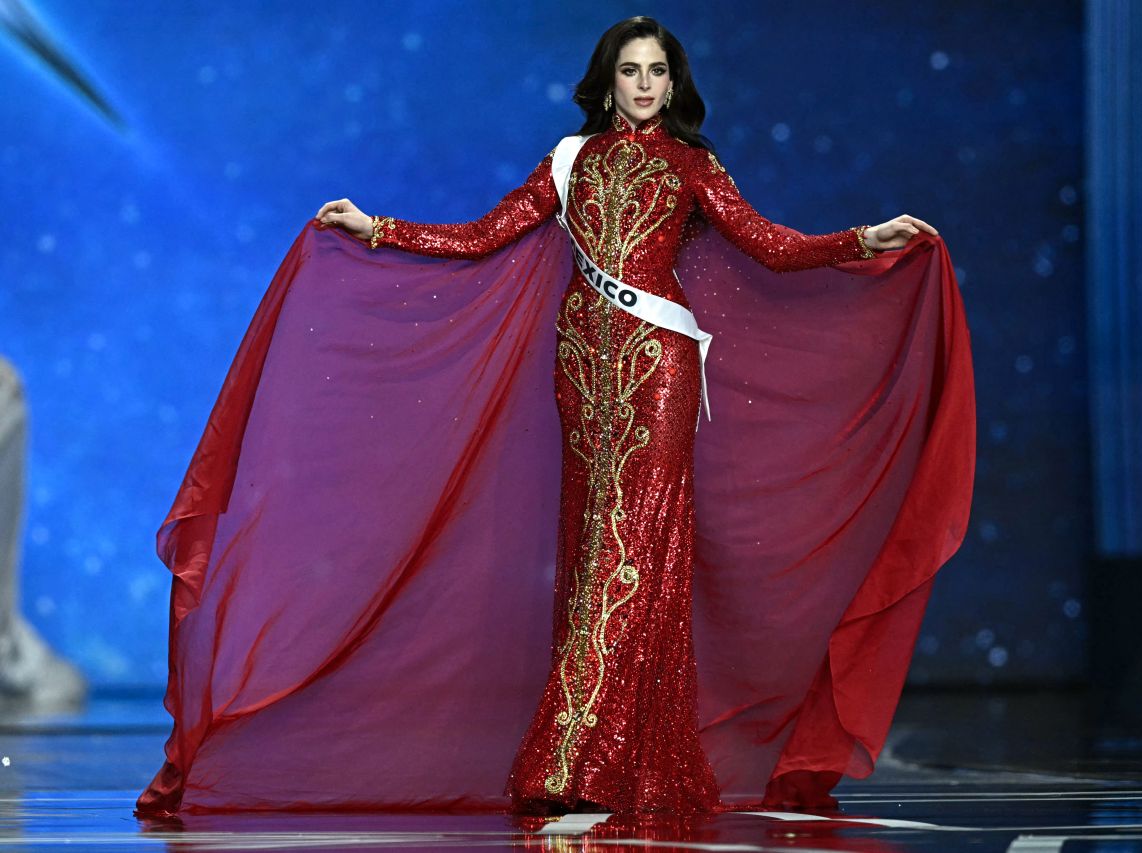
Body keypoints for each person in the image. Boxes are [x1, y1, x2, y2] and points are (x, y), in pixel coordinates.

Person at [136, 16, 974, 819]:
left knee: (630, 546)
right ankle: (624, 755)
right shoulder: (571, 160)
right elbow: (484, 234)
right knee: (593, 546)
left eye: (658, 72)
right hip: (580, 368)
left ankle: (576, 753)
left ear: (673, 84)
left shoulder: (691, 165)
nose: (645, 84)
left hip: (657, 368)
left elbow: (769, 244)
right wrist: (376, 227)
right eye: (631, 71)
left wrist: (863, 239)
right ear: (608, 82)